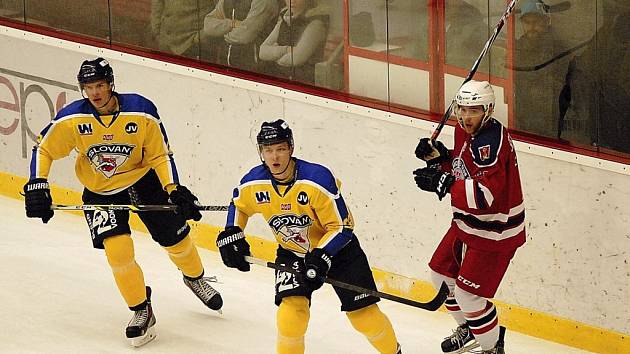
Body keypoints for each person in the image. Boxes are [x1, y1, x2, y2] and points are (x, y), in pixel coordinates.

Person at [23, 57, 223, 347]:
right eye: (88, 87)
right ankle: (142, 309)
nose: (95, 93)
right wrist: (37, 183)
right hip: (100, 190)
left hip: (144, 181)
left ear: (111, 84)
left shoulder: (141, 111)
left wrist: (174, 188)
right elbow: (44, 148)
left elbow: (159, 155)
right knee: (118, 253)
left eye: (100, 85)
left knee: (176, 241)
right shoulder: (72, 118)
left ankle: (195, 277)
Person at [215, 119, 402, 354]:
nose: (275, 157)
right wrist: (232, 232)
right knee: (291, 317)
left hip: (339, 252)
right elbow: (239, 205)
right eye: (268, 150)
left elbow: (342, 227)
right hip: (292, 252)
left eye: (281, 149)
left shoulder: (317, 180)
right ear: (261, 152)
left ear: (291, 148)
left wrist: (322, 254)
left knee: (364, 317)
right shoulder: (254, 182)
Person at [413, 81, 526, 354]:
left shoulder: (491, 143)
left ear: (487, 110)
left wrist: (444, 183)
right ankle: (470, 329)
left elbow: (485, 194)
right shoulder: (463, 130)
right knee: (440, 275)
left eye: (473, 110)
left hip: (495, 230)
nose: (466, 116)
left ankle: (491, 346)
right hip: (467, 223)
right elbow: (463, 167)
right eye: (462, 109)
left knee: (468, 294)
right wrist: (440, 158)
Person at [513, 0, 570, 139]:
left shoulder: (557, 48)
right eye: (527, 22)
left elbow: (555, 83)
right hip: (522, 114)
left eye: (536, 21)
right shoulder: (517, 46)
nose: (531, 26)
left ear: (546, 21)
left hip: (548, 115)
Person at [259, 0, 329, 84]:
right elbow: (262, 52)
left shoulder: (316, 23)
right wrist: (287, 50)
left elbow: (294, 59)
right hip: (281, 77)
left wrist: (273, 54)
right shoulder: (285, 18)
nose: (292, 1)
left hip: (303, 83)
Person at [201, 0, 279, 72]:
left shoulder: (264, 1)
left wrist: (221, 31)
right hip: (225, 65)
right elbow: (208, 26)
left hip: (255, 70)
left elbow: (243, 37)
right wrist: (232, 24)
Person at [150, 0, 217, 59]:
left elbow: (221, 12)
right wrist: (156, 29)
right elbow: (157, 3)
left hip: (193, 46)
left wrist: (200, 37)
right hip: (165, 41)